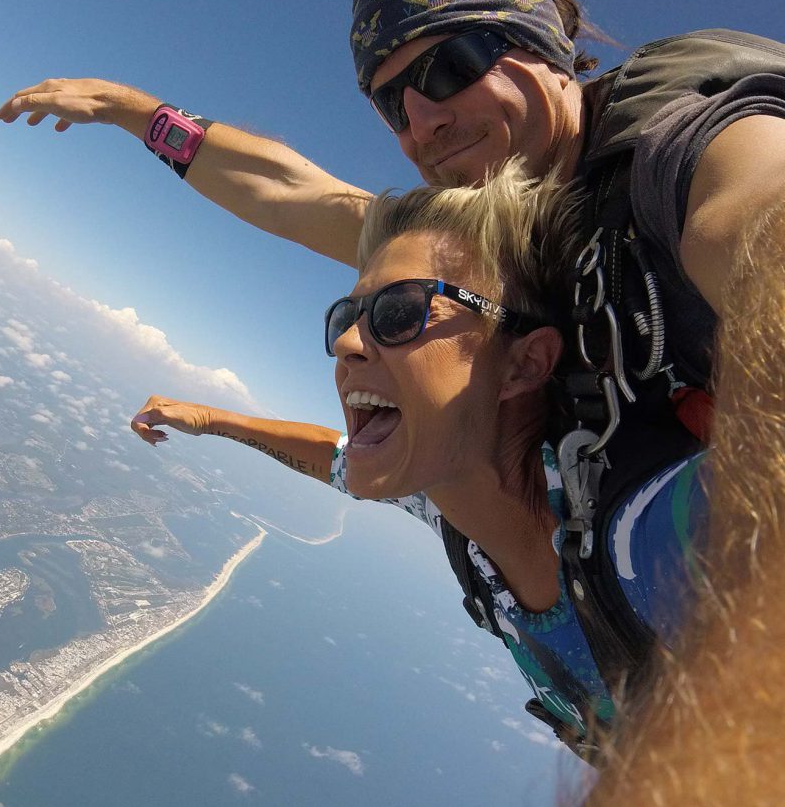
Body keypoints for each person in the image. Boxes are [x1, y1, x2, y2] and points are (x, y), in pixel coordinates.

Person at [0, 0, 785, 795]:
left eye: (449, 66)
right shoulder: (477, 275)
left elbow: (760, 222)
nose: (419, 121)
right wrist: (132, 112)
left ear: (541, 46)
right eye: (388, 101)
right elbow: (290, 194)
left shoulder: (685, 146)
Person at [129, 162, 708, 769]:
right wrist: (208, 418)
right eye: (345, 318)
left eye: (400, 312)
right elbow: (334, 458)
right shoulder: (460, 520)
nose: (350, 343)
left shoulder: (667, 529)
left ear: (524, 363)